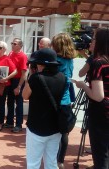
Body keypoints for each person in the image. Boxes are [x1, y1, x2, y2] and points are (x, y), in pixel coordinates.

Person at [23, 48, 66, 169]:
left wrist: (31, 75)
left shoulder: (36, 78)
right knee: (51, 162)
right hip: (55, 127)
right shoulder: (62, 77)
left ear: (41, 64)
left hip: (37, 127)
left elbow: (24, 96)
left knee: (33, 163)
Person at [74, 28, 109, 169]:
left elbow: (98, 96)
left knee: (100, 154)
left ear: (100, 42)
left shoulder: (98, 63)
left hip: (101, 113)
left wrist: (83, 85)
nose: (90, 41)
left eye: (93, 38)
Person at [51, 32, 77, 169]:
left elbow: (65, 81)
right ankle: (59, 160)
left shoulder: (60, 61)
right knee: (63, 132)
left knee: (59, 132)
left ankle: (58, 160)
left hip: (59, 101)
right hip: (65, 101)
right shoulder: (69, 60)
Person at [0, 41, 17, 131]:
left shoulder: (7, 59)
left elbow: (15, 71)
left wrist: (7, 78)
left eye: (0, 48)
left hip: (3, 85)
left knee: (1, 103)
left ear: (4, 49)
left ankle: (0, 123)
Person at [5, 38, 28, 133]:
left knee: (19, 103)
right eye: (12, 43)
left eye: (14, 44)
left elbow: (24, 74)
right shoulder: (10, 54)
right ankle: (10, 121)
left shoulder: (23, 56)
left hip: (18, 81)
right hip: (10, 79)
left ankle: (18, 124)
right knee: (10, 102)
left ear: (20, 46)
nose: (12, 45)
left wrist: (19, 86)